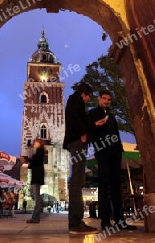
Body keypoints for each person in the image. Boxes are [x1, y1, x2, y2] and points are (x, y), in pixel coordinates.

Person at [88, 89, 137, 231]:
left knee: (116, 186)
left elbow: (115, 132)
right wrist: (96, 125)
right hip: (102, 152)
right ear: (99, 99)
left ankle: (120, 221)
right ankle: (105, 221)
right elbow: (89, 129)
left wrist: (119, 148)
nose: (106, 101)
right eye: (104, 98)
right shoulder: (93, 113)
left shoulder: (112, 115)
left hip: (115, 152)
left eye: (108, 99)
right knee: (104, 186)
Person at [63, 82, 98, 234]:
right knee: (77, 180)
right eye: (88, 97)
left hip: (77, 141)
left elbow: (76, 117)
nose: (88, 100)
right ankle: (75, 223)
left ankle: (76, 222)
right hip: (77, 141)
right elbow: (72, 115)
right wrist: (83, 132)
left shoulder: (75, 100)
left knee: (78, 180)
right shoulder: (75, 99)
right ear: (84, 93)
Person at [26, 138, 45, 223]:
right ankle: (36, 218)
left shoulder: (40, 151)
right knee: (36, 197)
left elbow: (36, 161)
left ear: (39, 144)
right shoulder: (38, 152)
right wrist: (28, 165)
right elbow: (35, 163)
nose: (34, 143)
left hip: (37, 177)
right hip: (36, 176)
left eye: (36, 142)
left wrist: (27, 159)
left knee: (37, 198)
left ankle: (35, 218)